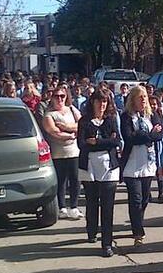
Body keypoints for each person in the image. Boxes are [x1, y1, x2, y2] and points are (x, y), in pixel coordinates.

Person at [77, 90, 121, 256]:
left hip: (109, 168)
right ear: (92, 102)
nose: (102, 105)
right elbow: (82, 144)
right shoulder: (84, 121)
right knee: (92, 202)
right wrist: (105, 142)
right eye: (99, 101)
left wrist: (97, 141)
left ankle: (107, 243)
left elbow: (115, 142)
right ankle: (92, 229)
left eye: (104, 102)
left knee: (108, 206)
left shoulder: (110, 121)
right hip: (89, 167)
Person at [120, 86, 163, 246]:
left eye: (145, 96)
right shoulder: (126, 116)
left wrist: (148, 135)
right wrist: (149, 135)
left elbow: (160, 134)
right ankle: (138, 231)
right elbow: (129, 137)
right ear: (133, 99)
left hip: (148, 163)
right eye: (140, 97)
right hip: (132, 164)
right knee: (136, 199)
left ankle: (138, 221)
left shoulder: (152, 115)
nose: (143, 99)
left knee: (145, 198)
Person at [43, 86, 83, 221]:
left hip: (74, 151)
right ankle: (62, 207)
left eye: (62, 96)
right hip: (58, 153)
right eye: (57, 96)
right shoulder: (49, 114)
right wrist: (71, 135)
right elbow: (53, 131)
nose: (60, 99)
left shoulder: (72, 109)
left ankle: (74, 206)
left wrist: (66, 127)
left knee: (75, 179)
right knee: (61, 181)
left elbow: (82, 124)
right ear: (52, 98)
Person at [148, 95, 163, 204]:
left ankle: (161, 193)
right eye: (151, 104)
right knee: (150, 169)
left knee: (160, 170)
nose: (153, 106)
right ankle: (148, 192)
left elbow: (161, 130)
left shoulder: (159, 115)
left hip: (159, 145)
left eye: (155, 104)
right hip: (150, 146)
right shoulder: (146, 116)